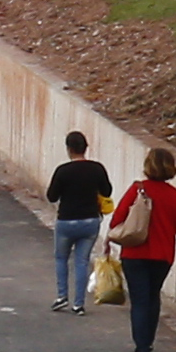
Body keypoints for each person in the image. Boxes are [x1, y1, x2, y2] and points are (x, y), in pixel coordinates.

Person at [113, 145, 176, 352]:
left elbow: (117, 219)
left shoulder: (137, 190)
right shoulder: (174, 196)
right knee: (152, 296)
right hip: (162, 256)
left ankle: (140, 348)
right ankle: (148, 342)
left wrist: (108, 242)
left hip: (134, 253)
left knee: (139, 300)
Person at [42, 130, 113, 313]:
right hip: (90, 221)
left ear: (69, 149)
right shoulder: (97, 168)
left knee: (61, 258)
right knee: (82, 261)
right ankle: (79, 304)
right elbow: (107, 191)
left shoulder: (63, 171)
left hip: (66, 221)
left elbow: (51, 196)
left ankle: (61, 296)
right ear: (85, 148)